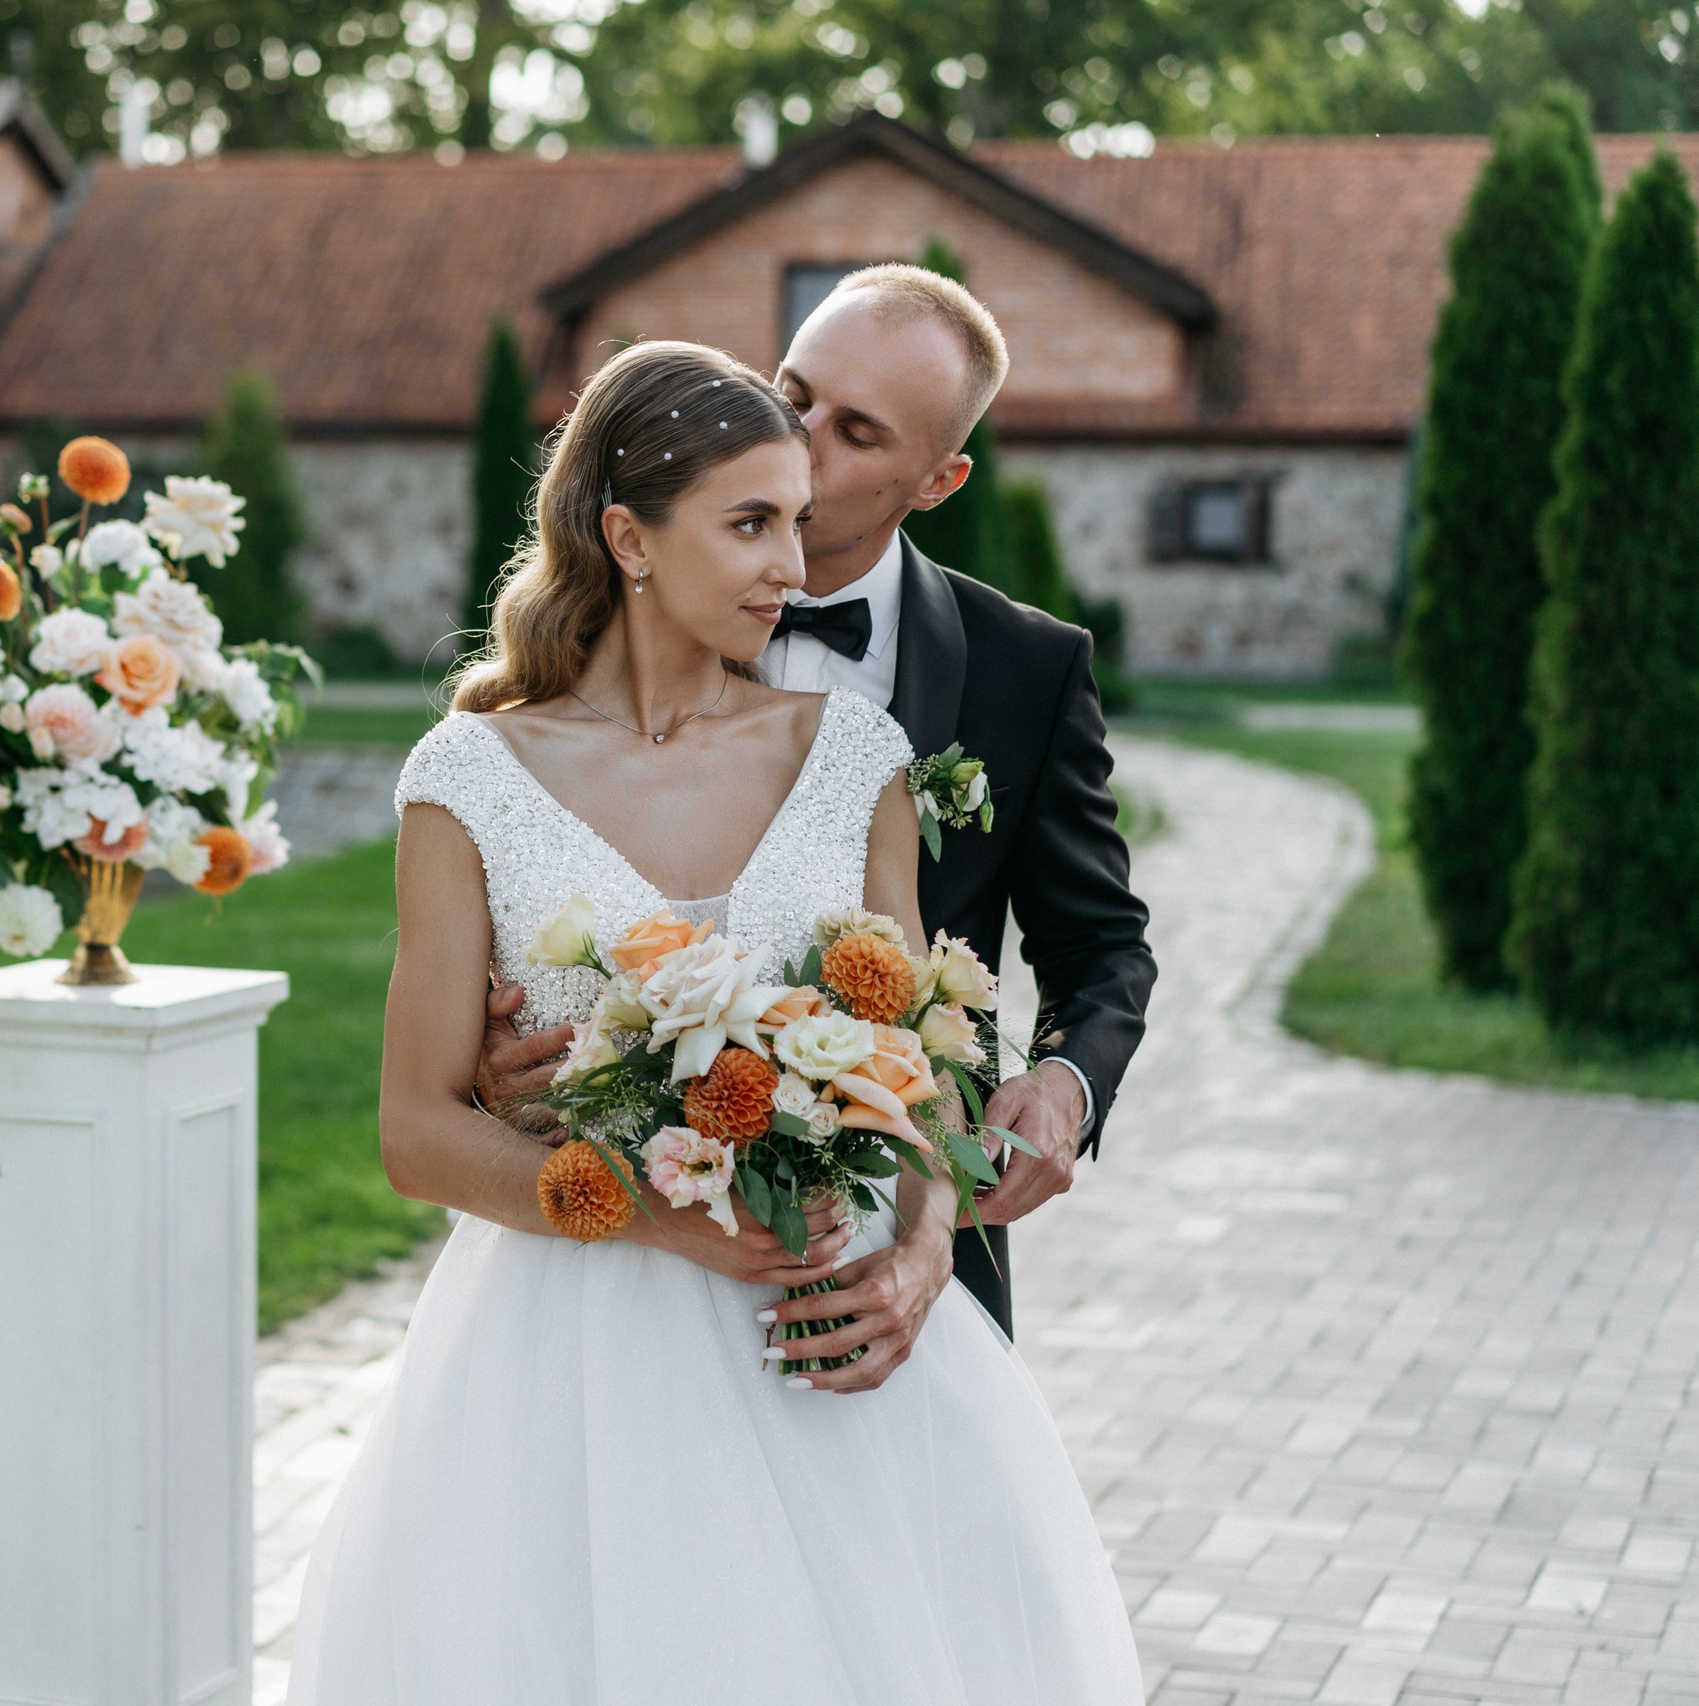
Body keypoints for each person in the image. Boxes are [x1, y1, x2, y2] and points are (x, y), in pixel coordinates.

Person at [286, 339, 1141, 1703]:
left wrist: (923, 1234)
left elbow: (916, 1070)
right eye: (751, 523)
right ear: (628, 536)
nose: (792, 565)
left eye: (797, 521)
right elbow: (414, 1129)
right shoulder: (470, 778)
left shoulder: (856, 756)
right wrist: (654, 1211)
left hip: (832, 1331)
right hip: (569, 1358)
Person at [476, 263, 1155, 1347]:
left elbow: (1100, 943)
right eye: (792, 394)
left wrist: (1065, 1084)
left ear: (938, 480)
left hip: (899, 1240)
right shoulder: (613, 619)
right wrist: (496, 1050)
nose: (798, 439)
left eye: (856, 431)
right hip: (620, 1258)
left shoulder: (1026, 669)